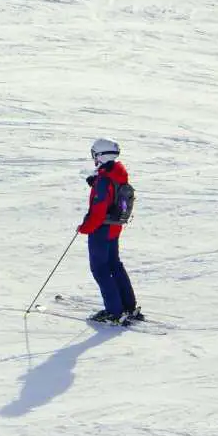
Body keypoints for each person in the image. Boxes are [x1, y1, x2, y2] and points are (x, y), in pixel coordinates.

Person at [77, 138, 141, 323]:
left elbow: (98, 211)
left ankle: (114, 311)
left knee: (100, 269)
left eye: (94, 155)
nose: (94, 158)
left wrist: (84, 227)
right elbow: (112, 192)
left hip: (101, 229)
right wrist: (96, 182)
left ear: (101, 155)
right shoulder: (117, 172)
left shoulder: (105, 180)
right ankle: (128, 305)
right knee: (114, 264)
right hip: (114, 226)